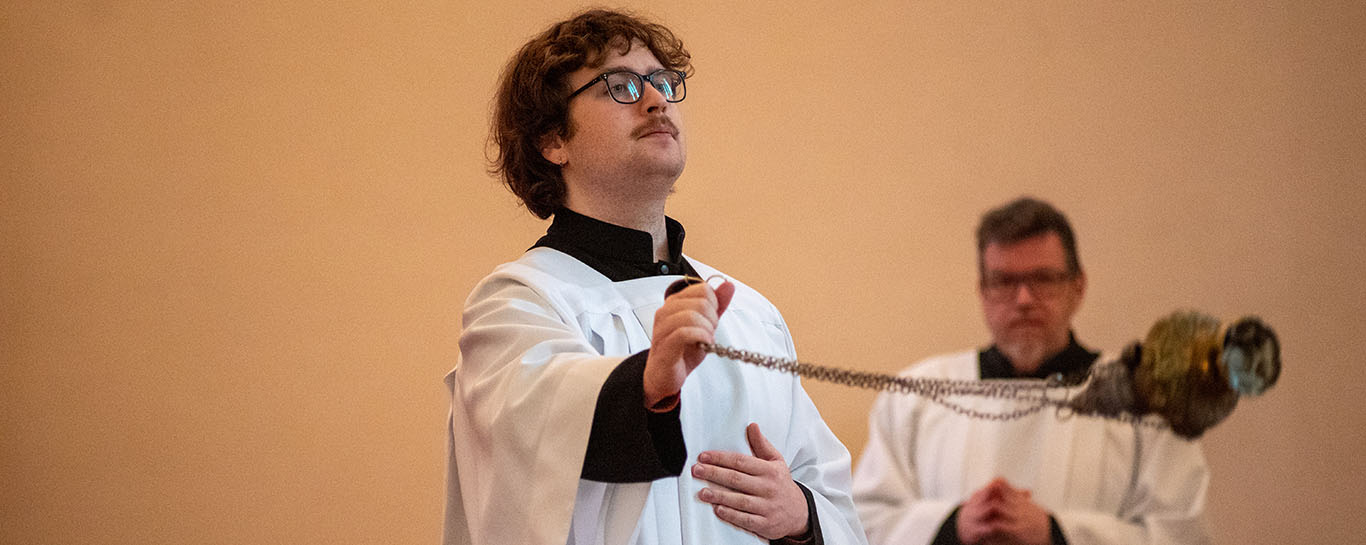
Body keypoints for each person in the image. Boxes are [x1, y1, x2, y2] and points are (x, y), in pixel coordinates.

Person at [444, 9, 866, 545]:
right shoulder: (519, 303)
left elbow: (828, 490)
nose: (656, 100)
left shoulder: (750, 313)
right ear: (552, 140)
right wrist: (649, 385)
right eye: (620, 86)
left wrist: (802, 516)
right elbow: (536, 437)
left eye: (664, 82)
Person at [851, 197, 1212, 545]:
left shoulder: (1146, 397)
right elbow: (860, 522)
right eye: (1003, 282)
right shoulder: (917, 394)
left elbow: (1180, 533)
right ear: (982, 292)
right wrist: (952, 525)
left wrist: (1056, 532)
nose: (1023, 299)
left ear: (1078, 287)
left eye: (1043, 279)